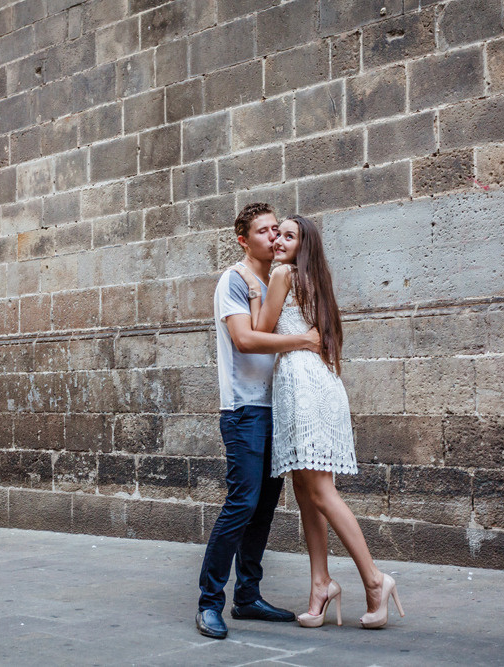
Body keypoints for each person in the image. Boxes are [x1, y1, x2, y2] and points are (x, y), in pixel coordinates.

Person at [234, 215, 406, 629]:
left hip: (302, 385)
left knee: (321, 492)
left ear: (302, 245)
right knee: (306, 489)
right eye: (278, 234)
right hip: (317, 382)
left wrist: (255, 292)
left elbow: (259, 331)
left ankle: (374, 580)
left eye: (288, 236)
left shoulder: (282, 276)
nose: (278, 241)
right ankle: (321, 584)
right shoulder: (315, 281)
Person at [196, 203, 322, 640]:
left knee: (265, 507)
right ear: (244, 239)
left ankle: (247, 597)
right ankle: (209, 602)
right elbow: (246, 340)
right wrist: (303, 342)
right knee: (243, 502)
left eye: (277, 229)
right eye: (264, 231)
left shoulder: (277, 281)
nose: (273, 237)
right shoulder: (234, 279)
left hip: (278, 406)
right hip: (244, 409)